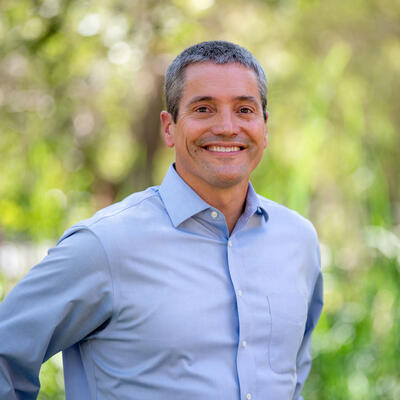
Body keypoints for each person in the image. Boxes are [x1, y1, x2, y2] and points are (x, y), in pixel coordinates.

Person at [0, 41, 323, 400]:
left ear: (264, 127)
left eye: (244, 110)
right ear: (169, 128)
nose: (228, 127)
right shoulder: (104, 246)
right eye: (204, 109)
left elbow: (291, 376)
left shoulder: (299, 241)